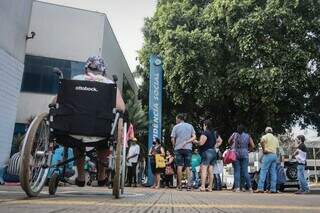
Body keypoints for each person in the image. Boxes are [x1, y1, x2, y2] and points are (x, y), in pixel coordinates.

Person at [54, 56, 125, 187]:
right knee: (104, 140)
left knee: (77, 138)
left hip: (73, 130)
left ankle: (81, 177)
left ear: (86, 68)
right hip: (100, 131)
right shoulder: (110, 85)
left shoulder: (74, 80)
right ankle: (102, 176)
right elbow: (121, 108)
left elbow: (54, 102)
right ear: (103, 70)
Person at [171, 113, 196, 191]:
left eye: (176, 119)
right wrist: (188, 141)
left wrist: (174, 146)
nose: (176, 121)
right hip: (188, 149)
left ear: (179, 119)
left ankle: (179, 186)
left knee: (179, 166)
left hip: (178, 149)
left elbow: (172, 139)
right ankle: (189, 186)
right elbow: (194, 137)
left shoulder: (175, 127)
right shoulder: (190, 126)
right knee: (188, 167)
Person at [228, 124, 255, 192]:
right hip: (245, 154)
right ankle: (250, 187)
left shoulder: (234, 134)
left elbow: (229, 141)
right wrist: (249, 150)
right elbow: (253, 145)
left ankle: (237, 188)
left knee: (237, 171)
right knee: (245, 171)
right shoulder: (247, 135)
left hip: (235, 154)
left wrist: (233, 145)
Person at [194, 119, 217, 192]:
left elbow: (201, 143)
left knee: (204, 169)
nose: (202, 126)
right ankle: (210, 187)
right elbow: (218, 141)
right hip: (213, 152)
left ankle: (203, 186)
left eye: (203, 125)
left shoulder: (205, 133)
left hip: (206, 152)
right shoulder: (213, 133)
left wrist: (195, 141)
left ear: (205, 125)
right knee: (211, 171)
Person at [255, 127, 279, 193]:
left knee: (263, 171)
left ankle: (260, 188)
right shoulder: (275, 138)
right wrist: (276, 157)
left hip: (267, 154)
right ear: (272, 131)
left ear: (266, 131)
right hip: (274, 155)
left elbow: (262, 141)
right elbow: (277, 149)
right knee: (273, 173)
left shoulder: (265, 136)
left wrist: (264, 149)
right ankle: (273, 189)